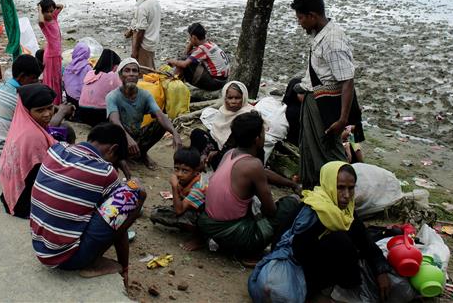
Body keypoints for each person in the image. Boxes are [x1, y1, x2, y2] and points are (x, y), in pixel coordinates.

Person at [250, 162, 391, 302]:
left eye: (351, 188)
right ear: (328, 185)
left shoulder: (345, 212)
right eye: (340, 188)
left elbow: (365, 240)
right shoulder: (313, 210)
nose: (347, 195)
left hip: (318, 268)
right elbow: (284, 246)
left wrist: (381, 270)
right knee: (341, 241)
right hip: (301, 271)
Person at [30, 123, 145, 287]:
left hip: (40, 247)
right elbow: (119, 216)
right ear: (112, 149)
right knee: (135, 192)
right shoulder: (105, 171)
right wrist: (124, 266)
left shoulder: (57, 149)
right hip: (68, 259)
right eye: (115, 161)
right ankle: (94, 261)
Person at [291, 0, 363, 189]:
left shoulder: (333, 41)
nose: (299, 23)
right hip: (314, 97)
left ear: (312, 16)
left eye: (301, 18)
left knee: (328, 150)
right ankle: (313, 186)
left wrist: (342, 120)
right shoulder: (320, 34)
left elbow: (347, 81)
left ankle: (340, 191)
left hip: (326, 105)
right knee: (310, 146)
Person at [197, 111, 287, 261]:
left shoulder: (230, 153)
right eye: (263, 133)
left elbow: (262, 173)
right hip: (236, 235)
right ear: (257, 139)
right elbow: (271, 210)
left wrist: (290, 183)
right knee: (289, 205)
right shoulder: (254, 165)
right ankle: (252, 253)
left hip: (210, 227)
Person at [0, 84, 74, 218]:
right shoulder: (33, 136)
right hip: (24, 203)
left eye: (50, 108)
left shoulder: (21, 123)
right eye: (40, 110)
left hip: (11, 191)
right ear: (27, 110)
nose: (47, 114)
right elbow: (45, 173)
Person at [106, 58, 181, 171]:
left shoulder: (145, 95)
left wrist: (175, 133)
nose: (131, 74)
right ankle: (124, 156)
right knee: (112, 132)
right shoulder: (113, 96)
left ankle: (142, 153)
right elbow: (114, 121)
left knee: (160, 123)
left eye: (134, 71)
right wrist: (129, 140)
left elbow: (159, 115)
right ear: (121, 75)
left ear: (139, 75)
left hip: (136, 133)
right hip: (119, 136)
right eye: (127, 70)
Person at [0, 55, 42, 171]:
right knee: (37, 134)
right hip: (2, 159)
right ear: (22, 77)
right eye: (34, 79)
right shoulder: (19, 98)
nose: (36, 82)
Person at [150, 147, 208, 251]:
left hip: (205, 219)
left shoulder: (199, 186)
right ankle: (187, 226)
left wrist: (174, 187)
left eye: (185, 171)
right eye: (176, 169)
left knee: (183, 215)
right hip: (189, 210)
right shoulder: (185, 180)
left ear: (196, 171)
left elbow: (179, 210)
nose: (179, 174)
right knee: (155, 214)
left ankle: (200, 239)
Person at [167, 22, 230, 91]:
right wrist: (192, 42)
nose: (189, 40)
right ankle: (176, 83)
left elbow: (184, 63)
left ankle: (173, 86)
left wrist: (173, 61)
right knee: (186, 59)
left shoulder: (202, 49)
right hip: (223, 81)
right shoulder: (210, 44)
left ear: (194, 37)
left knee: (182, 61)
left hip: (215, 83)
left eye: (190, 38)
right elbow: (188, 53)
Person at [78, 49, 122, 126]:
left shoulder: (90, 73)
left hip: (82, 112)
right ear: (114, 65)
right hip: (100, 115)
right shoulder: (112, 76)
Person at [124, 0, 161, 69]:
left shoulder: (143, 7)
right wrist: (130, 31)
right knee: (149, 65)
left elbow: (141, 31)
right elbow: (139, 23)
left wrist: (135, 51)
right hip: (152, 41)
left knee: (144, 70)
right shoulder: (154, 2)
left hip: (144, 44)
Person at [38, 0, 64, 104]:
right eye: (46, 12)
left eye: (51, 11)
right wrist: (39, 8)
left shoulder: (54, 17)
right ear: (43, 13)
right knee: (50, 79)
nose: (49, 14)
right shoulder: (44, 24)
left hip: (57, 54)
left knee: (57, 78)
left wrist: (51, 5)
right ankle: (51, 101)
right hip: (50, 55)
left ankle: (57, 101)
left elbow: (61, 6)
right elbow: (40, 20)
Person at [63, 42, 92, 108]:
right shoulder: (87, 68)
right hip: (81, 100)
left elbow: (65, 81)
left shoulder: (68, 66)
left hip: (69, 97)